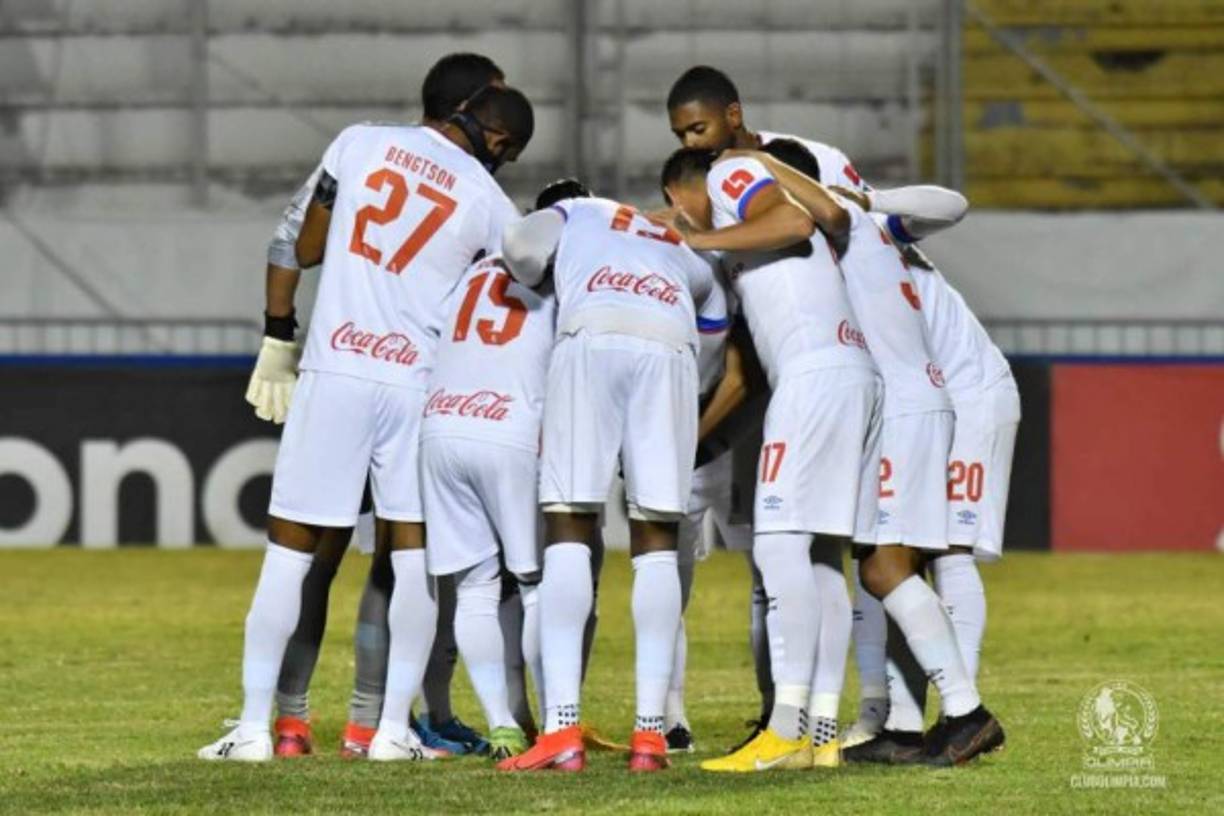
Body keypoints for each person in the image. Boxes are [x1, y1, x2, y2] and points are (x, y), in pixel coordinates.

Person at [198, 84, 534, 763]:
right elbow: (519, 291)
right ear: (500, 144)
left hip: (338, 368)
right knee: (412, 560)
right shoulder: (493, 204)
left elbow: (302, 240)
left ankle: (256, 727)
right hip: (415, 384)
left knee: (290, 553)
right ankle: (388, 733)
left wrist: (278, 334)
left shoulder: (360, 141)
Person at [685, 141, 1006, 766]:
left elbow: (812, 221)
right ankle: (928, 722)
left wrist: (763, 179)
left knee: (883, 568)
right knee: (883, 566)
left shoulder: (837, 224)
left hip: (901, 404)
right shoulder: (873, 230)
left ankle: (963, 713)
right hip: (911, 396)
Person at [664, 65, 868, 747]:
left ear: (730, 115)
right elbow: (831, 214)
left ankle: (784, 728)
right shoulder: (776, 164)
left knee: (779, 548)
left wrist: (701, 240)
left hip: (810, 375)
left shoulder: (730, 173)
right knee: (821, 557)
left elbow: (792, 222)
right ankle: (820, 732)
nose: (693, 143)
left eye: (697, 128)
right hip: (849, 367)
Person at [496, 191, 726, 773]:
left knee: (569, 523)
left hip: (593, 336)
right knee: (656, 538)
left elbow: (518, 245)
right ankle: (651, 734)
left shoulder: (577, 209)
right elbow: (716, 322)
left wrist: (542, 279)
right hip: (670, 349)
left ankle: (562, 728)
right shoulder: (671, 239)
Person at [416, 181, 593, 762]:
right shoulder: (571, 276)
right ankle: (553, 726)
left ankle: (503, 727)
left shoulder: (473, 271)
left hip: (441, 428)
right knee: (538, 586)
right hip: (509, 430)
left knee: (473, 590)